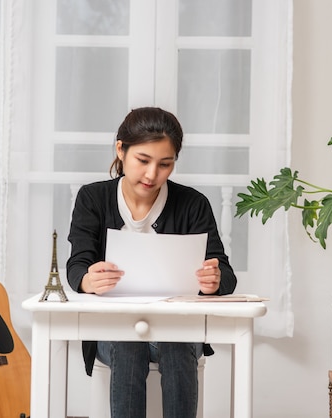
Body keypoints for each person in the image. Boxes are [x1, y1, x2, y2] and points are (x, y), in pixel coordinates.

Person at [66, 106, 237, 418]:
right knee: (128, 341)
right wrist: (88, 280)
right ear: (121, 149)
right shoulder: (93, 198)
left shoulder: (193, 204)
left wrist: (213, 281)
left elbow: (226, 275)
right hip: (113, 332)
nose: (151, 174)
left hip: (175, 331)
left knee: (174, 338)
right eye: (143, 161)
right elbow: (77, 265)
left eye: (165, 164)